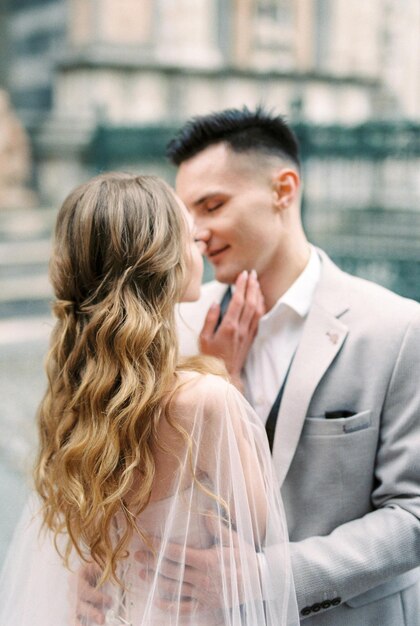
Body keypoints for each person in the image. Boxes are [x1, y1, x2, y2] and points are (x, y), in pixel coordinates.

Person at [150, 107, 419, 625]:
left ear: (283, 189)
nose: (198, 235)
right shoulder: (178, 325)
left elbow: (412, 514)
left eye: (213, 205)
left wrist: (265, 578)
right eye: (189, 218)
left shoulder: (398, 328)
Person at [0, 172, 299, 625]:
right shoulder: (206, 401)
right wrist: (228, 373)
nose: (199, 238)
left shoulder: (76, 397)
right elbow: (259, 540)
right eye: (185, 232)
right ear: (157, 263)